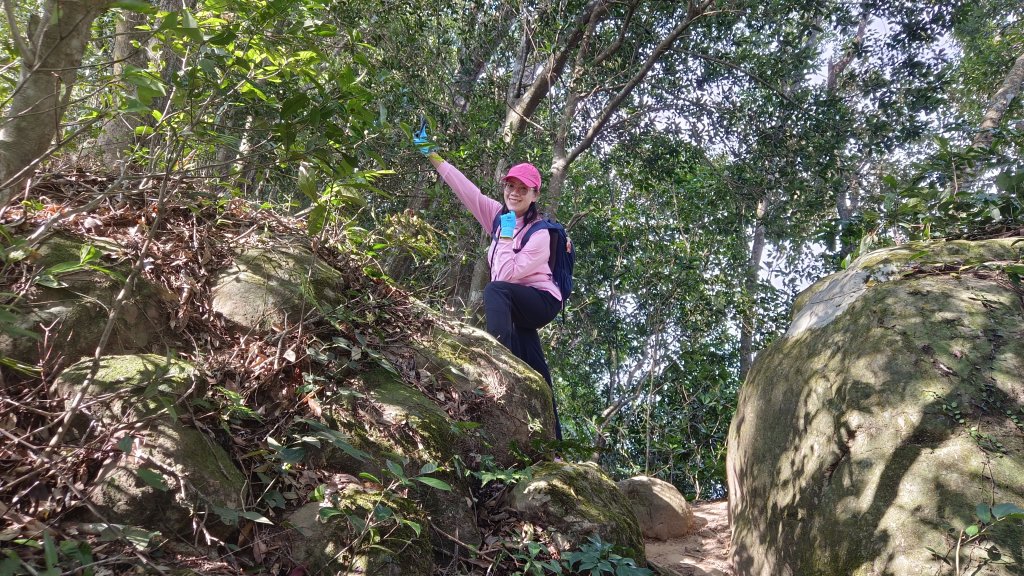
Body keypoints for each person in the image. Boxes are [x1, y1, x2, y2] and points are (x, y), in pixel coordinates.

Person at [415, 125, 564, 440]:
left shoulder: (540, 234)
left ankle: (499, 366)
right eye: (510, 186)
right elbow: (465, 188)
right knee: (535, 363)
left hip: (541, 301)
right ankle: (555, 440)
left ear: (535, 195)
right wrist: (430, 153)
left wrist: (507, 234)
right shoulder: (498, 215)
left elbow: (506, 276)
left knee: (495, 290)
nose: (514, 193)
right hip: (515, 303)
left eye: (523, 188)